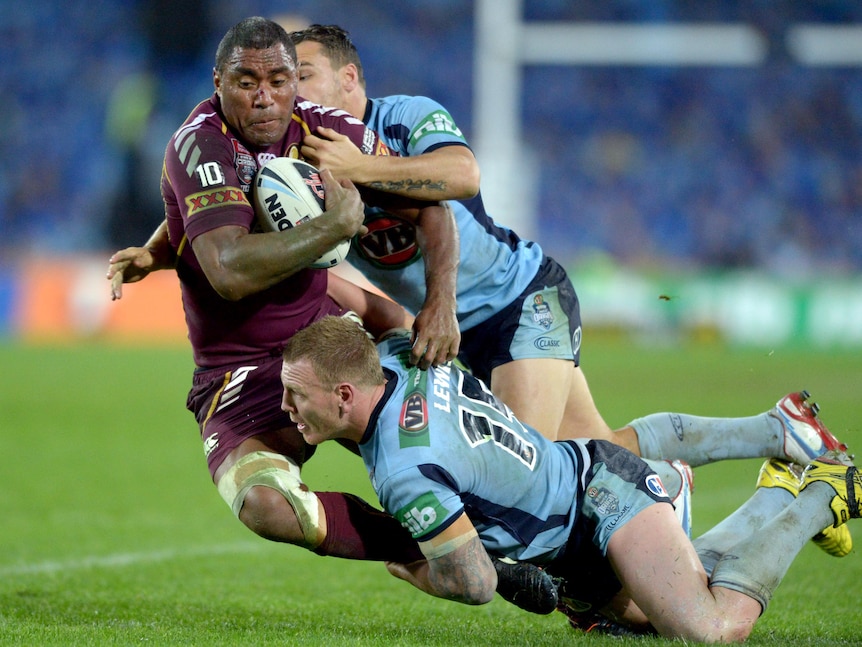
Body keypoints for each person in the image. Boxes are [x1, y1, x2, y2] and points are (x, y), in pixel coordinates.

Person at [109, 22, 851, 560]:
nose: (289, 93)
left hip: (519, 300)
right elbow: (219, 214)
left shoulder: (389, 124)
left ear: (349, 79)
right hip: (451, 319)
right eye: (269, 79)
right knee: (589, 451)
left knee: (520, 478)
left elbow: (458, 184)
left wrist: (394, 232)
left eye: (300, 75)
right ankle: (772, 434)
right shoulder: (293, 148)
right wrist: (156, 249)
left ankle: (651, 518)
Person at [106, 15, 557, 615]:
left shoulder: (326, 131)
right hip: (236, 370)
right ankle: (451, 553)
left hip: (325, 341)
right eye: (245, 81)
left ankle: (578, 546)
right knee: (268, 506)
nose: (263, 96)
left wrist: (440, 302)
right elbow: (228, 269)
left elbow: (434, 206)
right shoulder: (199, 144)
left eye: (278, 80)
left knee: (453, 437)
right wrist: (333, 226)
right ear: (218, 82)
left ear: (296, 81)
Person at [279, 315, 862, 642]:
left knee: (708, 631)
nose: (285, 407)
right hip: (570, 528)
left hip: (601, 497)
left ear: (346, 394)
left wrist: (408, 568)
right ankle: (773, 495)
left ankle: (824, 492)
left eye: (295, 395)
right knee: (658, 618)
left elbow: (476, 584)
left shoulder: (405, 471)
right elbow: (380, 316)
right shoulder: (402, 354)